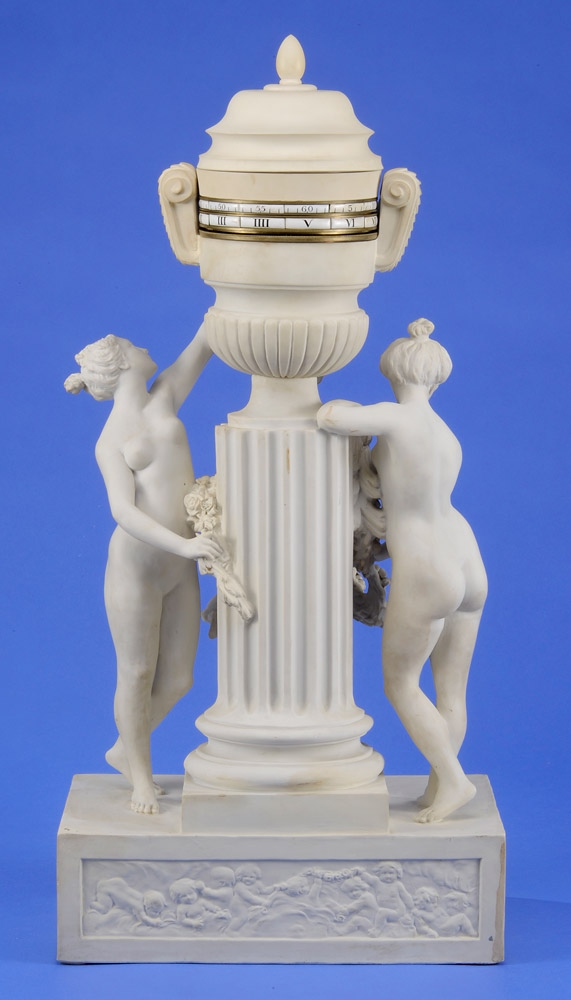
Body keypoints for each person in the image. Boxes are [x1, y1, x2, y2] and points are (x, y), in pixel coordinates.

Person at [317, 319, 487, 823]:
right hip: (466, 554)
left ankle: (453, 782)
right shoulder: (445, 433)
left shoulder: (397, 417)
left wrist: (329, 394)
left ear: (392, 372)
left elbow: (329, 416)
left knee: (401, 683)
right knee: (450, 689)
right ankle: (438, 789)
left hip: (427, 563)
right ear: (437, 379)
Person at [65, 326, 221, 815]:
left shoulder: (165, 397)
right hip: (136, 568)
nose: (145, 346)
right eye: (133, 346)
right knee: (136, 673)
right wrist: (184, 544)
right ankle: (140, 775)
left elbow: (204, 342)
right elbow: (122, 511)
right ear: (122, 363)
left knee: (179, 679)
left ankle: (123, 749)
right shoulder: (110, 441)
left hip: (180, 562)